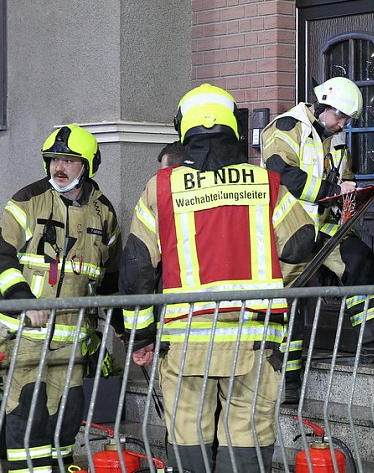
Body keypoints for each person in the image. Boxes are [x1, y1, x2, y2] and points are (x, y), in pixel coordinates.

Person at [120, 83, 315, 472]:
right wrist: (277, 288)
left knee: (188, 432)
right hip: (255, 337)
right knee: (247, 436)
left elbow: (137, 267)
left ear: (183, 129)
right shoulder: (265, 182)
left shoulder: (161, 188)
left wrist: (140, 336)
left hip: (187, 339)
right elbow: (299, 243)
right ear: (233, 127)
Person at [259, 76, 374, 400]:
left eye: (347, 120)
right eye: (340, 117)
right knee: (287, 301)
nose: (343, 125)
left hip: (325, 225)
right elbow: (281, 175)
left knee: (360, 260)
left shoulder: (336, 139)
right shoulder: (286, 128)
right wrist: (332, 191)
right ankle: (287, 380)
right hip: (288, 228)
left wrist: (352, 194)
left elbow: (346, 178)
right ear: (323, 105)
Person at [0, 124, 122, 472]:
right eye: (54, 159)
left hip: (72, 340)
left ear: (88, 166)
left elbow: (109, 277)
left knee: (67, 415)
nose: (59, 167)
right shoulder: (27, 200)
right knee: (26, 411)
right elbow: (2, 254)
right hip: (25, 335)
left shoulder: (104, 213)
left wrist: (122, 327)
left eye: (69, 161)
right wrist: (23, 298)